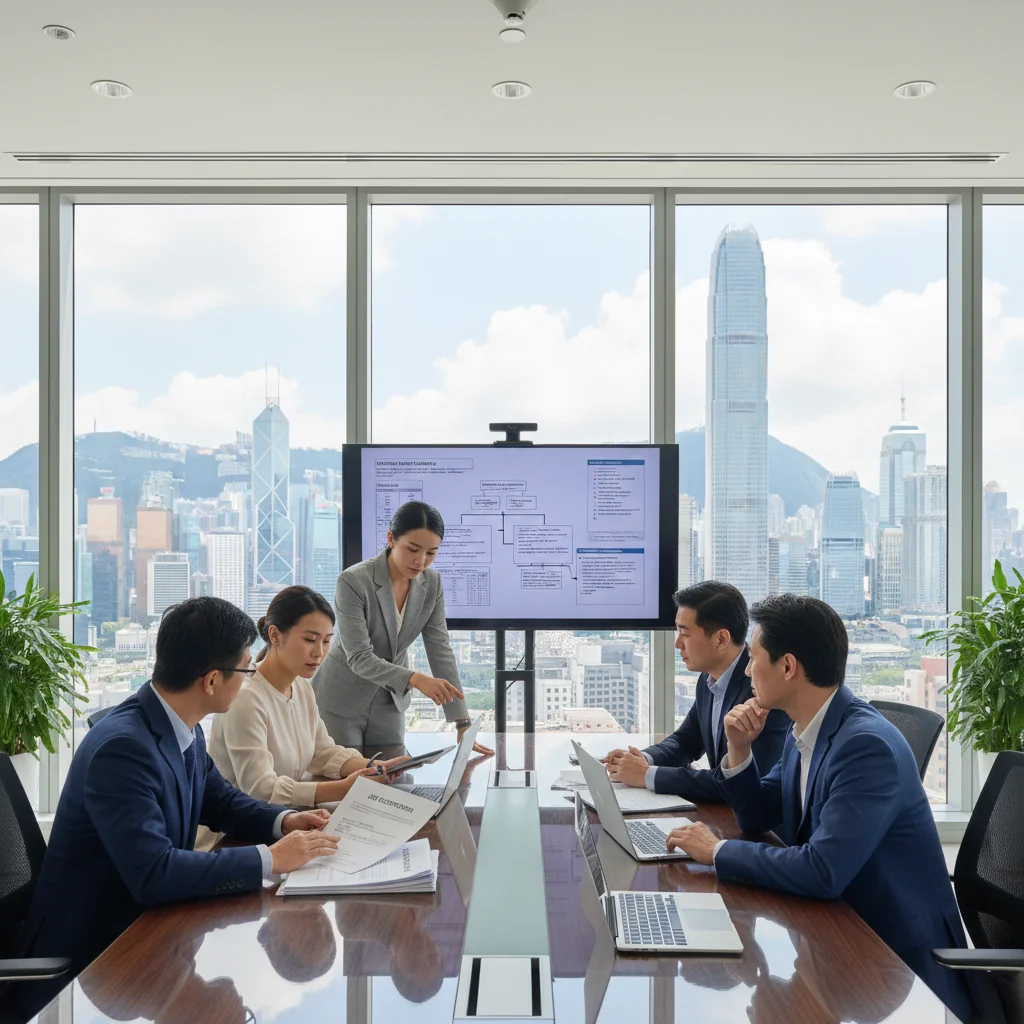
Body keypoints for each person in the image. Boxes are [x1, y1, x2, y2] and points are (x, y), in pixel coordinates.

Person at [10, 597, 339, 1020]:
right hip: (93, 961)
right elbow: (154, 873)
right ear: (211, 681)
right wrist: (271, 859)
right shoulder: (123, 750)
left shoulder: (178, 724)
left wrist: (284, 820)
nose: (250, 677)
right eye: (245, 669)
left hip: (146, 934)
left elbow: (220, 800)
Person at [664, 594, 975, 1022]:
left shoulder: (865, 747)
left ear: (788, 667)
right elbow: (758, 815)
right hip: (839, 931)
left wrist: (717, 852)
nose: (748, 670)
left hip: (893, 962)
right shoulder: (809, 727)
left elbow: (822, 871)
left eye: (754, 659)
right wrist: (738, 750)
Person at [199, 586, 408, 849]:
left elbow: (322, 752)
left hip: (281, 824)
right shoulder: (246, 697)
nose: (319, 652)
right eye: (310, 640)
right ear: (275, 635)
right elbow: (260, 789)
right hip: (232, 840)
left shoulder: (300, 686)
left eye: (326, 640)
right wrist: (342, 788)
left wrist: (377, 768)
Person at [313, 500, 493, 756]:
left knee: (395, 779)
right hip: (343, 697)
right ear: (391, 539)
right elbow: (359, 657)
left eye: (431, 552)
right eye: (413, 549)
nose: (421, 561)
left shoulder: (432, 583)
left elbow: (440, 649)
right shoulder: (353, 581)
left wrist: (461, 721)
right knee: (345, 781)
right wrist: (415, 679)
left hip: (391, 700)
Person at [602, 581, 788, 801]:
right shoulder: (708, 679)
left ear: (721, 639)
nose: (677, 644)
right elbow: (686, 741)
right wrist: (642, 759)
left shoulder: (762, 690)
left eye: (685, 634)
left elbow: (741, 782)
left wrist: (647, 775)